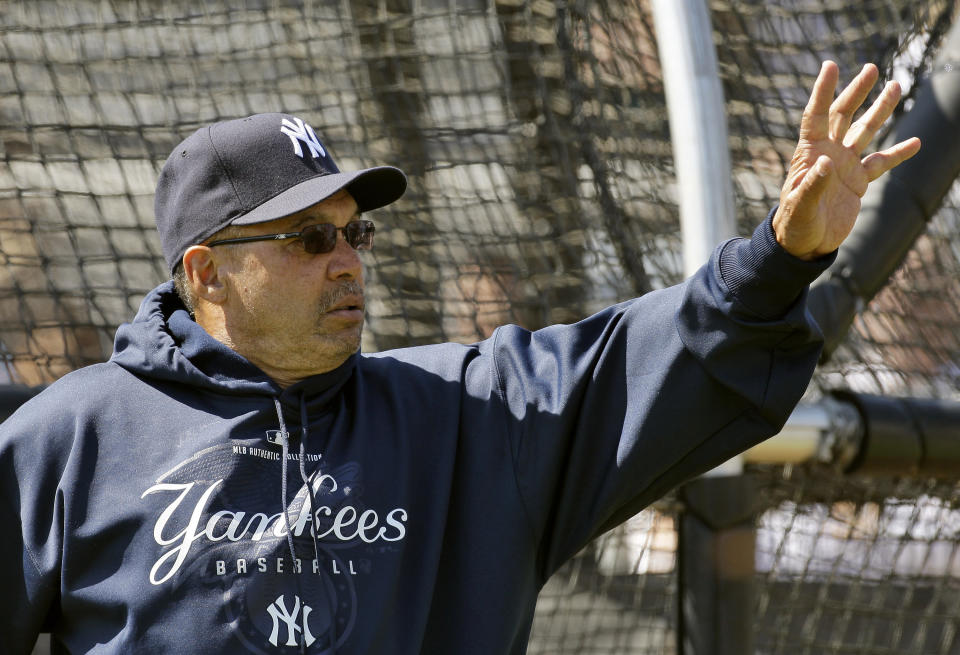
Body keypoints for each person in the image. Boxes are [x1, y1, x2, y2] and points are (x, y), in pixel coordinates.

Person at [0, 61, 920, 654]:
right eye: (309, 240)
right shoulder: (70, 437)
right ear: (206, 273)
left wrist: (781, 255)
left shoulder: (471, 417)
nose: (350, 259)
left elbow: (657, 352)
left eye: (355, 232)